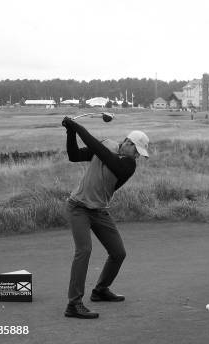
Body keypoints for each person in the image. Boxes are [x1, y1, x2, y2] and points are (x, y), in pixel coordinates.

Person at [61, 116, 149, 319]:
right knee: (84, 251)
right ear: (127, 142)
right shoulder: (107, 144)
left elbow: (103, 155)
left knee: (118, 253)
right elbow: (74, 155)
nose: (137, 156)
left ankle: (100, 290)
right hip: (78, 207)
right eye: (137, 151)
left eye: (139, 154)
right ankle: (73, 304)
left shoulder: (128, 166)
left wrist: (77, 125)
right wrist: (70, 132)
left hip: (99, 210)